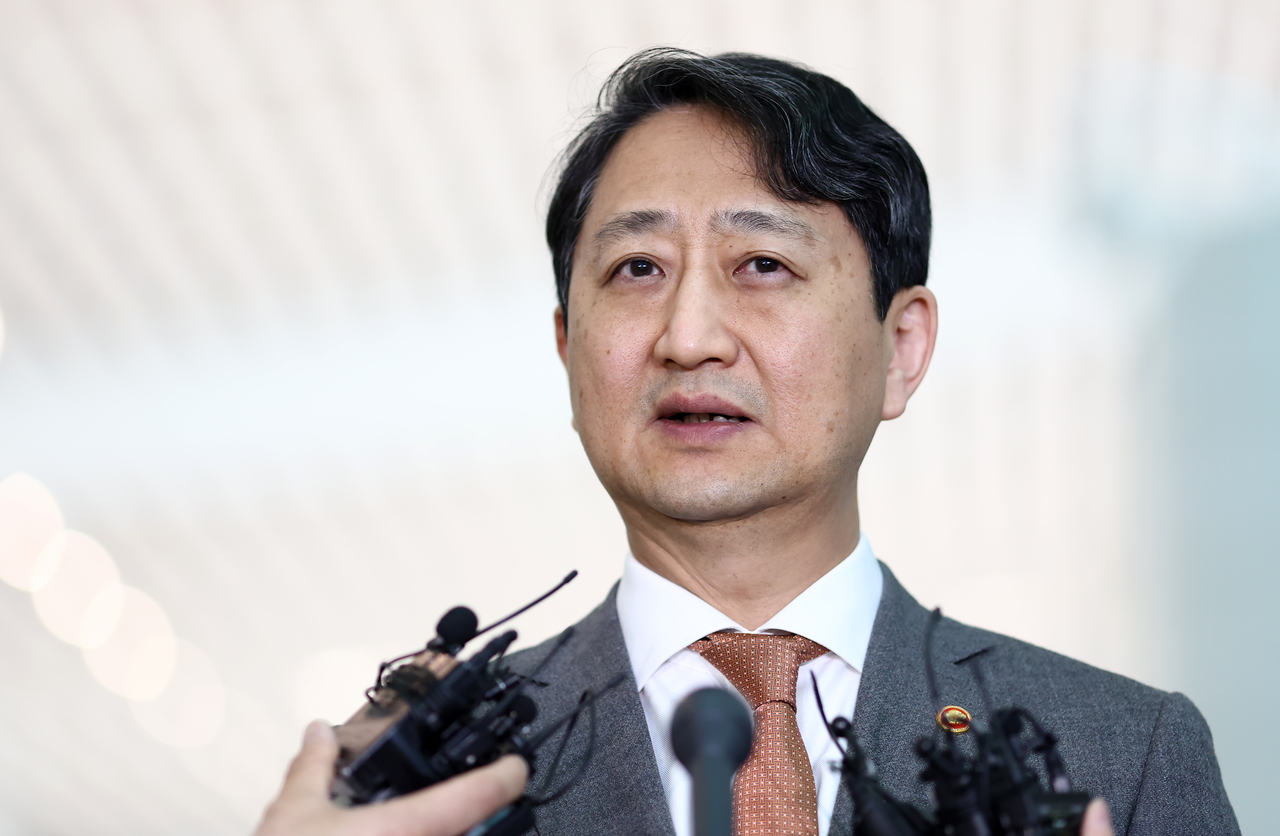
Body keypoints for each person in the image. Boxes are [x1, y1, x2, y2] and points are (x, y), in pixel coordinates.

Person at [259, 48, 1238, 835]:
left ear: (899, 348)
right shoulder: (400, 781)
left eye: (760, 263)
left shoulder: (1120, 748)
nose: (687, 335)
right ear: (566, 348)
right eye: (636, 267)